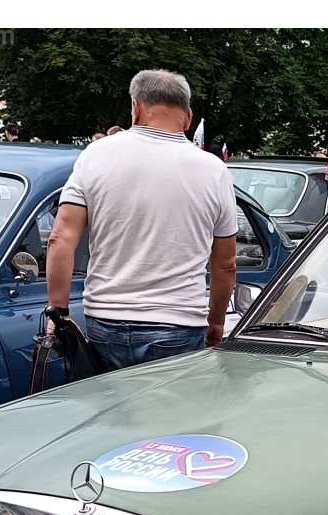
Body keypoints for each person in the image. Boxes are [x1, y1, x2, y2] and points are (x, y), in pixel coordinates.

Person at [46, 68, 238, 368]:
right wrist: (215, 322)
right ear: (187, 117)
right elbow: (225, 263)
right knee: (173, 416)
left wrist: (59, 312)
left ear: (135, 107)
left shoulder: (95, 155)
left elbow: (60, 238)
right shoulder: (213, 170)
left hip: (105, 321)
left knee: (109, 413)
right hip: (179, 324)